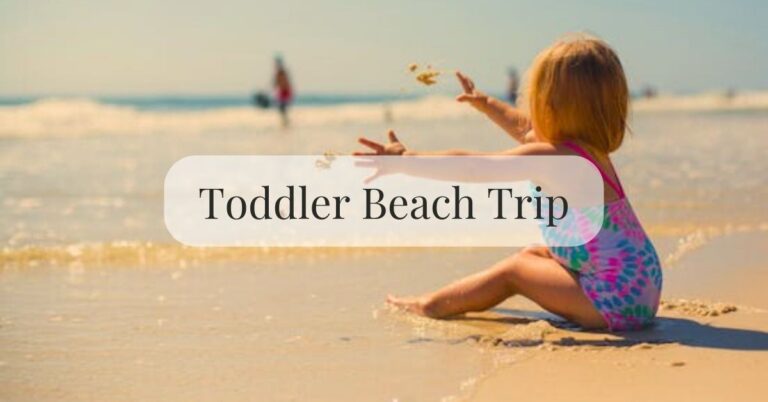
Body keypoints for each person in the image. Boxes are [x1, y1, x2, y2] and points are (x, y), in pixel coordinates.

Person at [354, 35, 662, 331]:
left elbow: (474, 168)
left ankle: (430, 305)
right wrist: (487, 103)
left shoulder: (555, 158)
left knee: (514, 271)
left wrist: (407, 159)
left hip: (614, 301)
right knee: (533, 255)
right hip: (639, 285)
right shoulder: (587, 152)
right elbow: (526, 130)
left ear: (549, 105)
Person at [273, 55, 293, 127]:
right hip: (283, 91)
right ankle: (285, 121)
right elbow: (276, 83)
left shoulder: (281, 72)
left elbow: (282, 82)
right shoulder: (280, 72)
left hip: (285, 91)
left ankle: (285, 121)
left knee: (282, 107)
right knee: (282, 108)